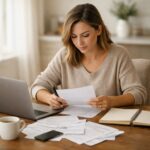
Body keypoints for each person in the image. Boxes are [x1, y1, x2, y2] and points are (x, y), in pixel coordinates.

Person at [31, 3, 147, 111]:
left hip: (108, 123)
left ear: (99, 30)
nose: (79, 43)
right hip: (73, 123)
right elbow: (37, 86)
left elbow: (139, 93)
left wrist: (112, 101)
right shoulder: (64, 55)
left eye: (85, 35)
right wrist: (49, 98)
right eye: (74, 36)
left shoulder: (119, 54)